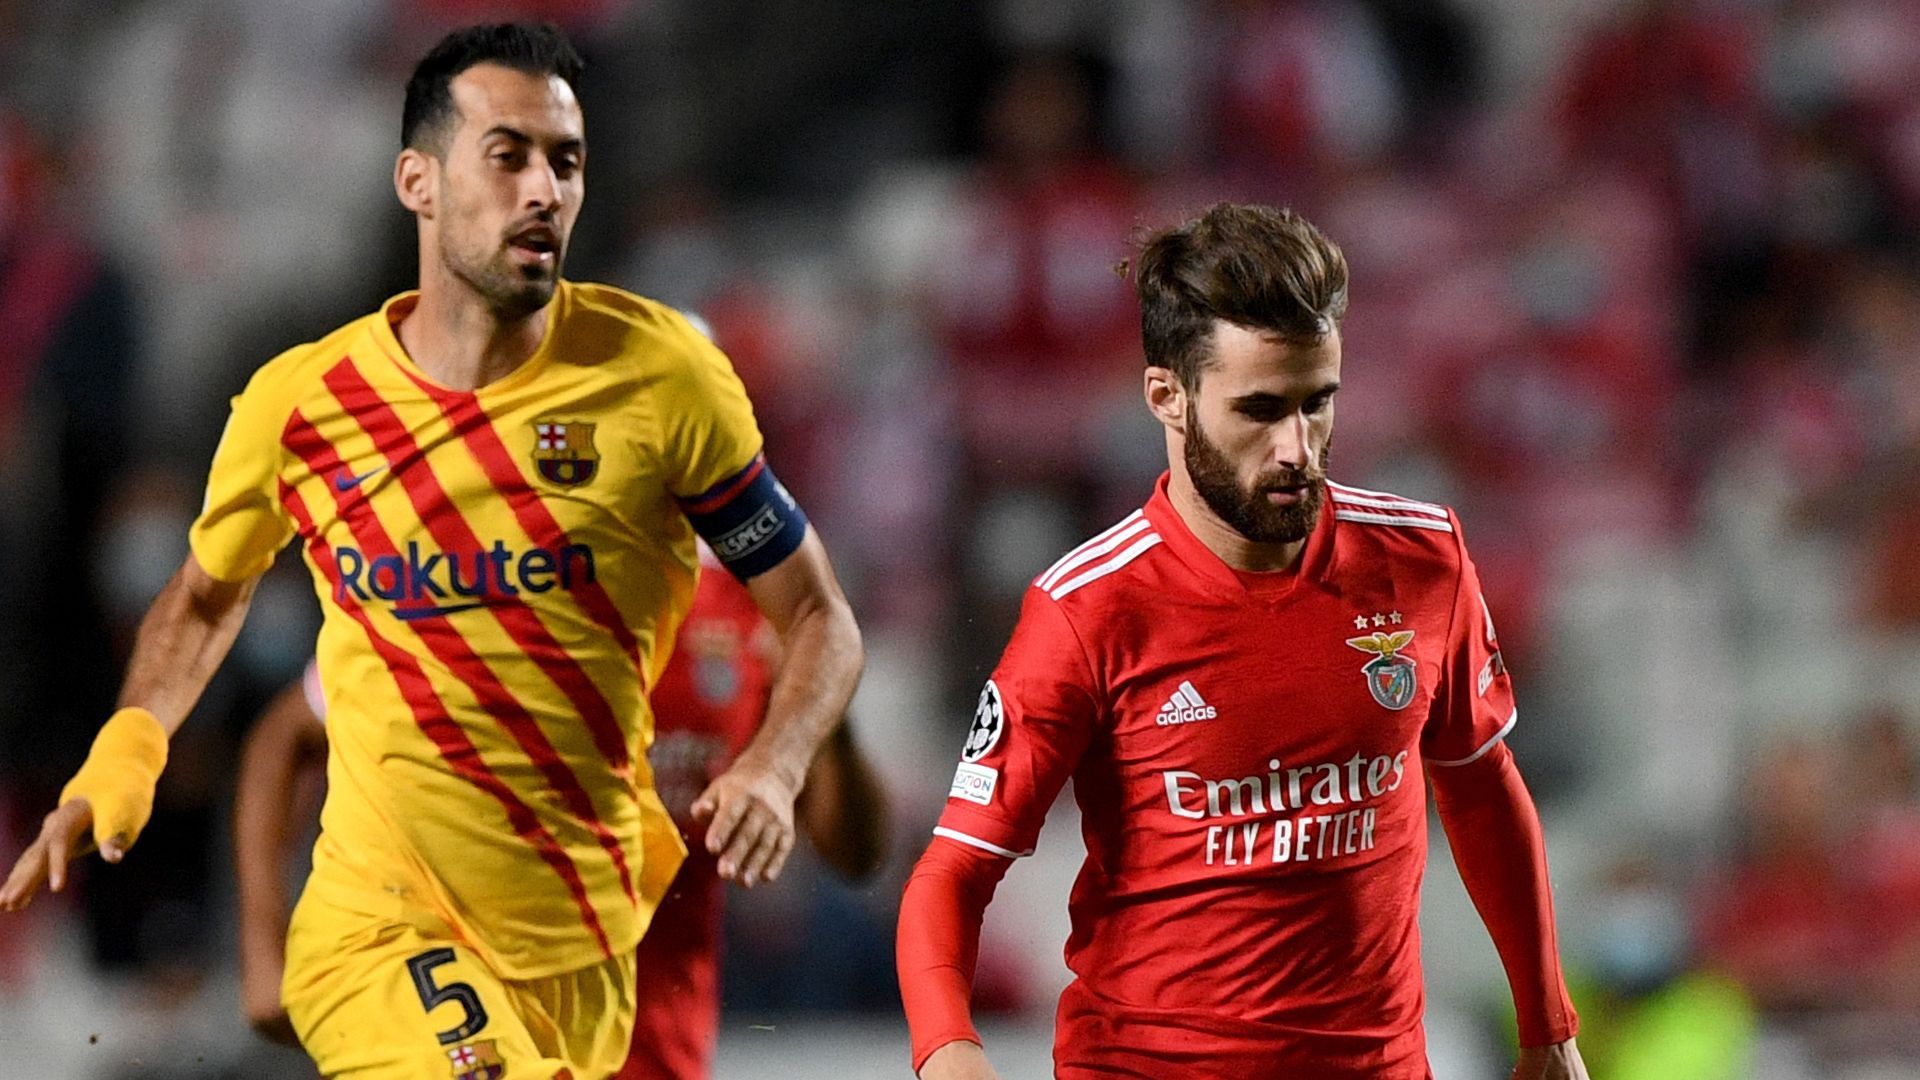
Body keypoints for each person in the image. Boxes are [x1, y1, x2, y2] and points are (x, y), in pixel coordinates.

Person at [0, 22, 863, 1080]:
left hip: (586, 952)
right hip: (381, 929)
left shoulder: (662, 378)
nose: (544, 189)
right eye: (508, 156)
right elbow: (205, 598)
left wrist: (777, 768)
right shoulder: (303, 403)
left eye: (567, 160)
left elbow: (817, 614)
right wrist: (129, 750)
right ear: (418, 179)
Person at [896, 202, 1587, 1080]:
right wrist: (947, 1051)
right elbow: (952, 872)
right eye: (1259, 409)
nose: (1297, 447)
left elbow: (1484, 790)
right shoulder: (1089, 609)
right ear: (1167, 397)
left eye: (1317, 403)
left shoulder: (1424, 559)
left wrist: (1547, 1026)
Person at [236, 545, 888, 1077]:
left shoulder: (752, 600)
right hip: (467, 1026)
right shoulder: (503, 568)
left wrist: (822, 703)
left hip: (657, 1049)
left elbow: (854, 854)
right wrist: (265, 955)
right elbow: (288, 735)